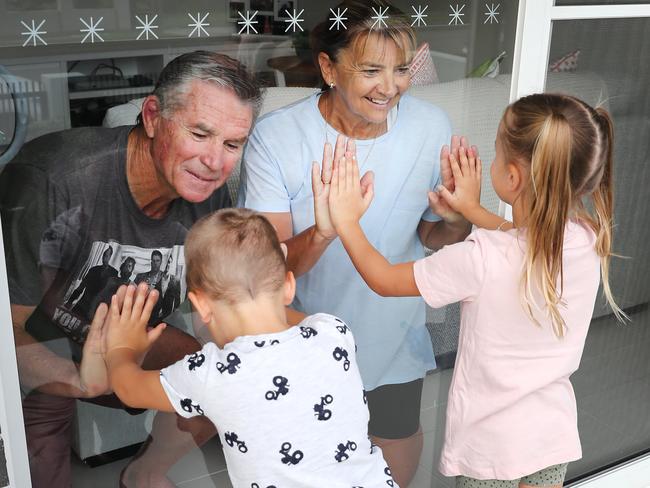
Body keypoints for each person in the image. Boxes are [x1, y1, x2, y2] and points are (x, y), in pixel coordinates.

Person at [327, 93, 625, 487]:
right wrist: (471, 211)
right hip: (552, 436)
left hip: (491, 449)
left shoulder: (479, 259)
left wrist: (346, 222)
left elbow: (383, 279)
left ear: (513, 177)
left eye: (498, 154)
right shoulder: (588, 239)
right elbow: (526, 245)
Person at [0, 50, 262, 488]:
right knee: (39, 458)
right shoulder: (54, 178)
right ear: (154, 116)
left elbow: (220, 305)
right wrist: (79, 380)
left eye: (232, 144)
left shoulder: (206, 192)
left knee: (217, 385)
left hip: (131, 337)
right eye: (200, 134)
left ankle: (143, 474)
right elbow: (10, 331)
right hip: (41, 337)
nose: (215, 162)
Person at [238, 1, 471, 484]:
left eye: (402, 69)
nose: (390, 87)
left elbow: (433, 235)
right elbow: (266, 271)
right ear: (328, 67)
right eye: (370, 70)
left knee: (395, 437)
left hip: (393, 329)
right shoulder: (277, 140)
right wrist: (324, 230)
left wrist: (455, 220)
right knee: (309, 457)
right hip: (302, 336)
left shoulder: (431, 127)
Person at [103, 208, 398, 488]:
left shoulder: (211, 374)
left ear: (201, 306)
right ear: (288, 286)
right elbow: (297, 320)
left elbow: (128, 388)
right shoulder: (334, 331)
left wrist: (121, 345)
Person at [65, 245, 118, 321]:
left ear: (110, 257)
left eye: (106, 255)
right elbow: (81, 287)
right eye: (103, 255)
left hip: (95, 311)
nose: (104, 257)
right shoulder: (93, 270)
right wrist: (70, 301)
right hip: (82, 305)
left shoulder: (113, 273)